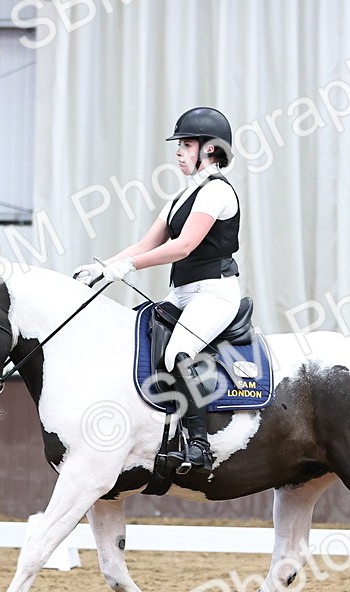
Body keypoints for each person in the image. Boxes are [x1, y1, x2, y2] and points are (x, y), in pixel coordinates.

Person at [72, 107, 241, 476]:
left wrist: (129, 268)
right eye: (179, 145)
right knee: (136, 336)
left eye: (186, 144)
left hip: (214, 294)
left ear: (210, 149)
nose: (179, 152)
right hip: (183, 293)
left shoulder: (216, 194)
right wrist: (104, 267)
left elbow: (183, 247)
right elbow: (147, 243)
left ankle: (200, 445)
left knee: (180, 352)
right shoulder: (183, 197)